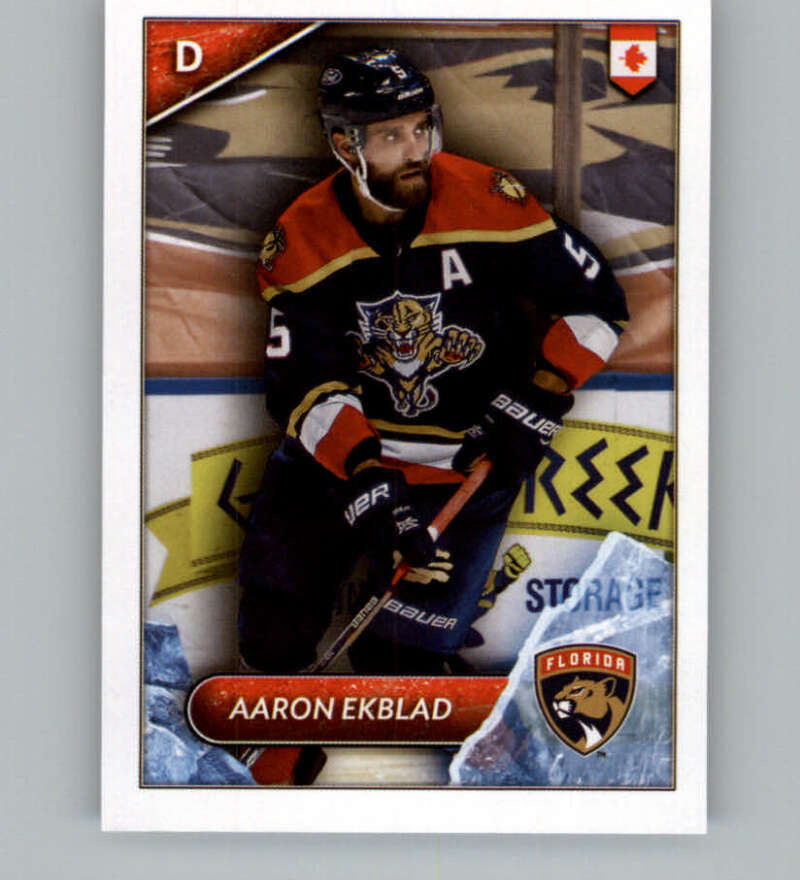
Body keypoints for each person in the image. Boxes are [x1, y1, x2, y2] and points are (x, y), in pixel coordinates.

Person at [237, 48, 628, 782]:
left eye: (421, 128)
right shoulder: (300, 236)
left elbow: (599, 302)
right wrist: (367, 479)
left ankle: (494, 746)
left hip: (465, 460)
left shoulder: (492, 200)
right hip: (338, 458)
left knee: (398, 661)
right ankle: (269, 756)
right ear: (344, 144)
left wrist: (540, 395)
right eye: (391, 136)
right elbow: (305, 385)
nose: (415, 149)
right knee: (275, 609)